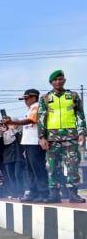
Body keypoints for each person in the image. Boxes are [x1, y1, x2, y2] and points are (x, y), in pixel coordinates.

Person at [38, 70, 86, 203]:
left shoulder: (73, 96)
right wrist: (42, 137)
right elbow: (41, 118)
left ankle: (73, 193)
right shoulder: (45, 98)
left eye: (61, 79)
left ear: (64, 80)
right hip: (52, 138)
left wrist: (82, 133)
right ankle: (54, 194)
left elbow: (80, 116)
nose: (58, 81)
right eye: (56, 80)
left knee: (73, 165)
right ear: (51, 82)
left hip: (71, 136)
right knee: (52, 166)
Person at [2, 120, 25, 199]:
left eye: (14, 124)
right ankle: (14, 192)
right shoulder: (4, 134)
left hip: (19, 156)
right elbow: (5, 142)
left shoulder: (20, 133)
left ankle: (20, 192)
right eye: (11, 124)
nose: (13, 125)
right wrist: (10, 131)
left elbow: (21, 141)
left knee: (18, 174)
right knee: (10, 176)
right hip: (8, 157)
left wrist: (15, 131)